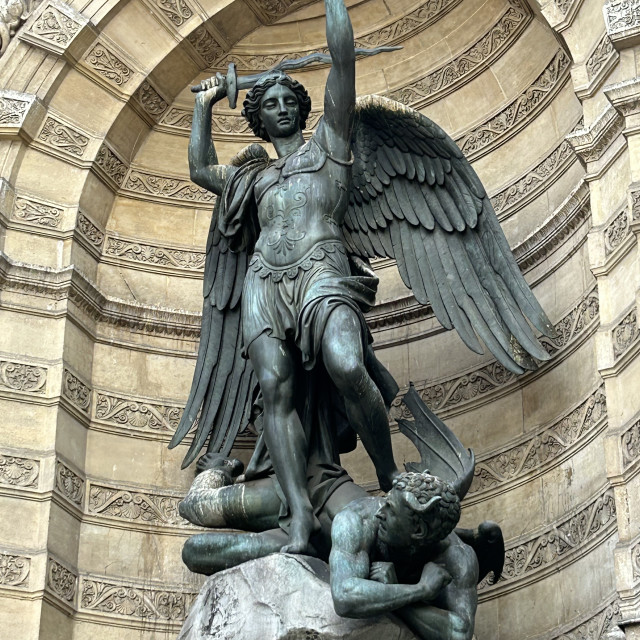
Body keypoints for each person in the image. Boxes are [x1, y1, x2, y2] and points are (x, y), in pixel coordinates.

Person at [188, 0, 399, 555]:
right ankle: (300, 516)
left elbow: (343, 58)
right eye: (270, 103)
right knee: (275, 392)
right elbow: (201, 169)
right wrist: (204, 105)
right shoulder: (252, 176)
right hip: (264, 282)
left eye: (289, 101)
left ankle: (389, 475)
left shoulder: (330, 145)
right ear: (258, 118)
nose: (281, 108)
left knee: (347, 364)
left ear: (305, 110)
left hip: (321, 272)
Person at [179, 463, 486, 640]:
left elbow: (459, 633)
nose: (381, 510)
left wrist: (397, 595)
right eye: (386, 502)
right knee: (196, 545)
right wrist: (418, 591)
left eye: (391, 510)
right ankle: (217, 469)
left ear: (418, 530)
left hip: (318, 549)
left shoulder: (457, 558)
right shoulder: (359, 519)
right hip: (310, 512)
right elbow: (346, 596)